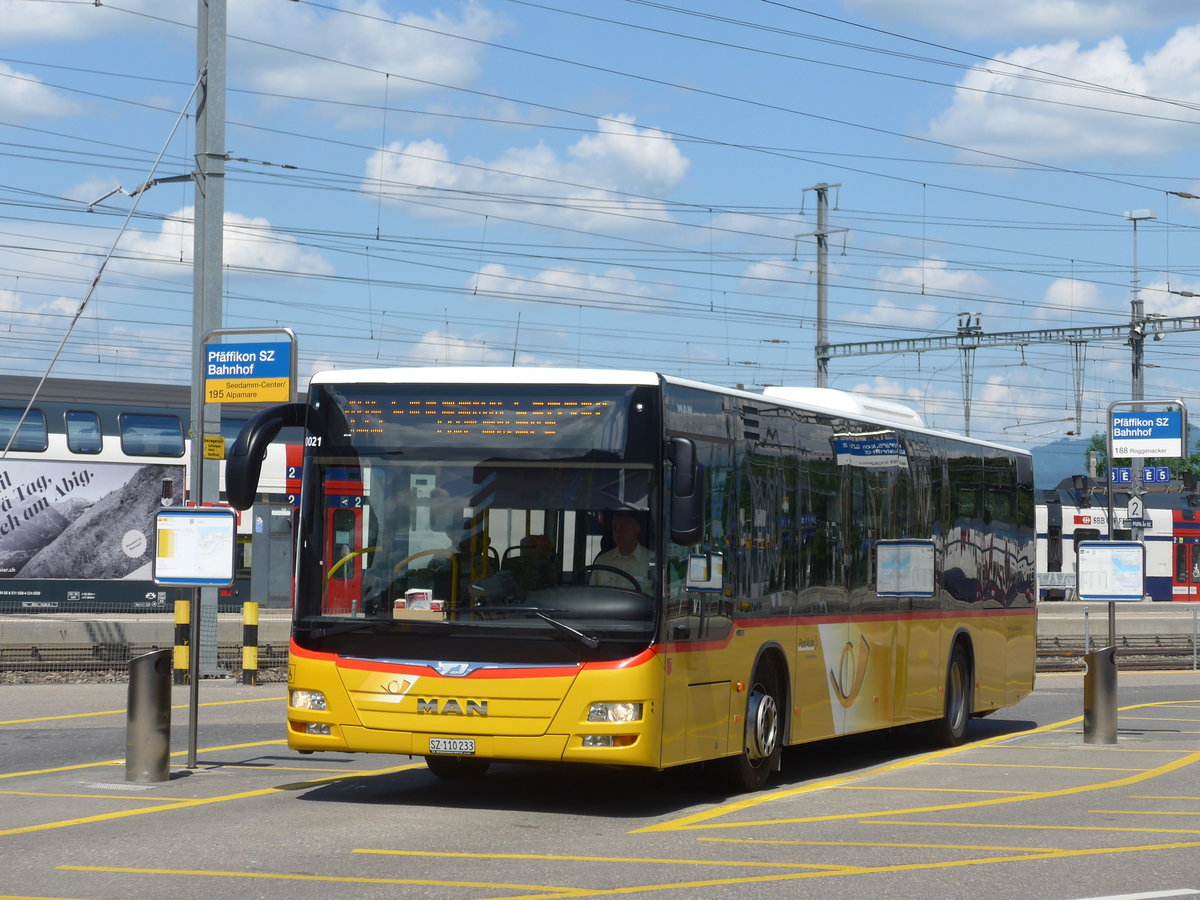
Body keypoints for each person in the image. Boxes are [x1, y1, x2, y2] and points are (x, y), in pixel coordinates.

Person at [591, 509, 653, 591]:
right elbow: (593, 595)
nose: (618, 533)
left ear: (636, 530)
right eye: (614, 528)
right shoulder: (602, 561)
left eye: (623, 528)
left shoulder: (652, 560)